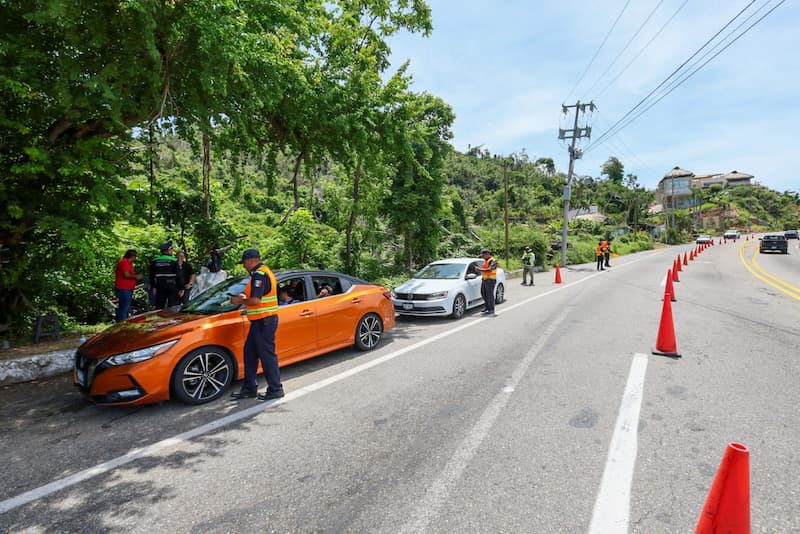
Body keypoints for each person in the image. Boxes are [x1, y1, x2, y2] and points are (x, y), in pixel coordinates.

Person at [229, 249, 284, 401]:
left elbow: (256, 301)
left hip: (264, 321)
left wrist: (239, 301)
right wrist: (245, 297)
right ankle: (249, 389)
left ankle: (276, 389)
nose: (244, 266)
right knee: (250, 354)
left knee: (267, 356)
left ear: (251, 261)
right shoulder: (262, 273)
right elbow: (256, 298)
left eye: (244, 263)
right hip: (259, 322)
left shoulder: (259, 274)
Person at [149, 241, 184, 309]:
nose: (172, 251)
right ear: (168, 250)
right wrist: (181, 288)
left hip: (160, 286)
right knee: (173, 306)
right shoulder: (174, 261)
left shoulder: (155, 261)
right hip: (172, 286)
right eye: (171, 249)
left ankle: (159, 319)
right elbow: (179, 275)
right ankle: (172, 319)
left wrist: (153, 287)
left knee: (159, 306)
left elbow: (151, 275)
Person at [114, 249, 143, 321]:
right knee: (124, 308)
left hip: (127, 288)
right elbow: (126, 275)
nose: (135, 259)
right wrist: (136, 276)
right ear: (132, 256)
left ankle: (123, 323)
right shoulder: (124, 262)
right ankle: (122, 324)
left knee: (125, 308)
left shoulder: (128, 263)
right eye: (135, 257)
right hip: (124, 289)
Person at [476, 248, 498, 317]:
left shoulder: (493, 261)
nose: (482, 256)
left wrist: (480, 269)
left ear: (487, 254)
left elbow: (490, 269)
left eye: (483, 255)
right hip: (485, 280)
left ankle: (491, 310)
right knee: (483, 293)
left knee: (489, 295)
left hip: (490, 280)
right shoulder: (486, 261)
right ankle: (487, 307)